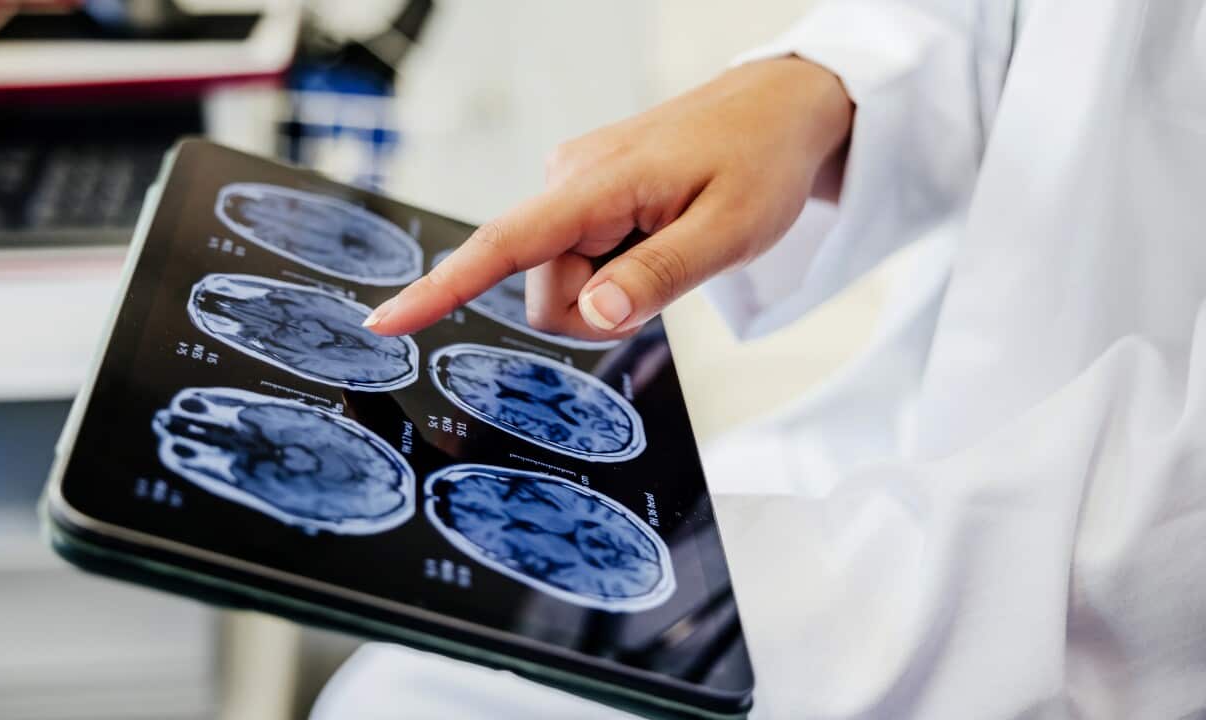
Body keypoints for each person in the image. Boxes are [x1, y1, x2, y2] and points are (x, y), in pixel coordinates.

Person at [351, 0, 1206, 716]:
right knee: (401, 684)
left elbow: (1154, 547)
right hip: (925, 429)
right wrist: (823, 90)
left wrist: (654, 572)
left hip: (1069, 586)